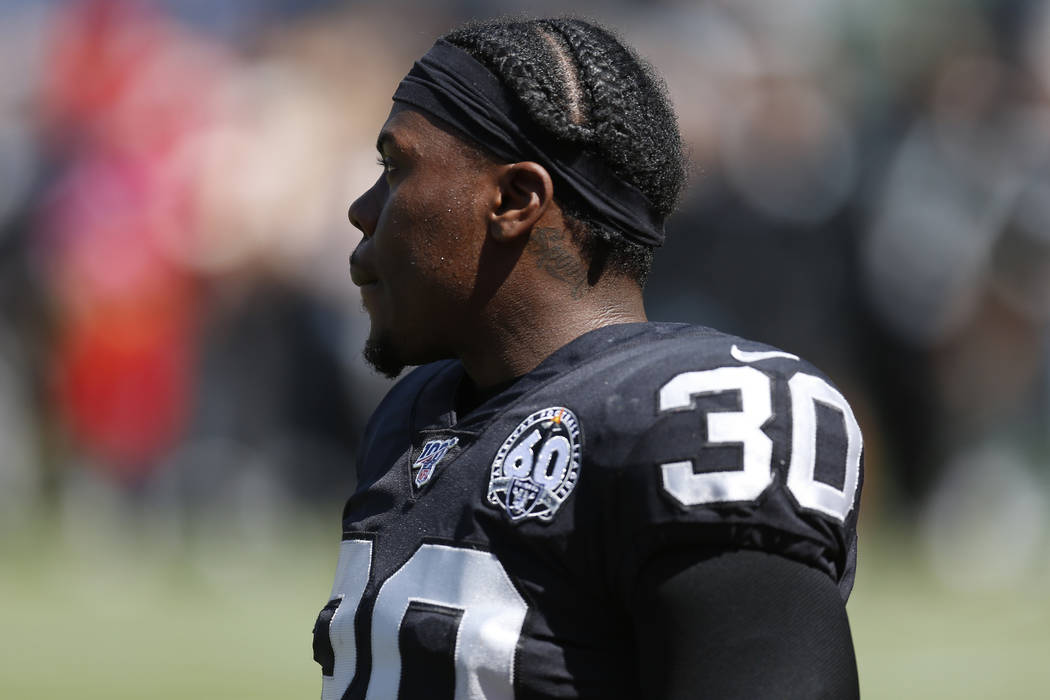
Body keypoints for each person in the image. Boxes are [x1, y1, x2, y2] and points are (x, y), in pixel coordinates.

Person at [312, 16, 863, 700]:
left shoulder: (693, 417)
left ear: (514, 200)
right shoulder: (413, 416)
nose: (363, 211)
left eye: (396, 168)